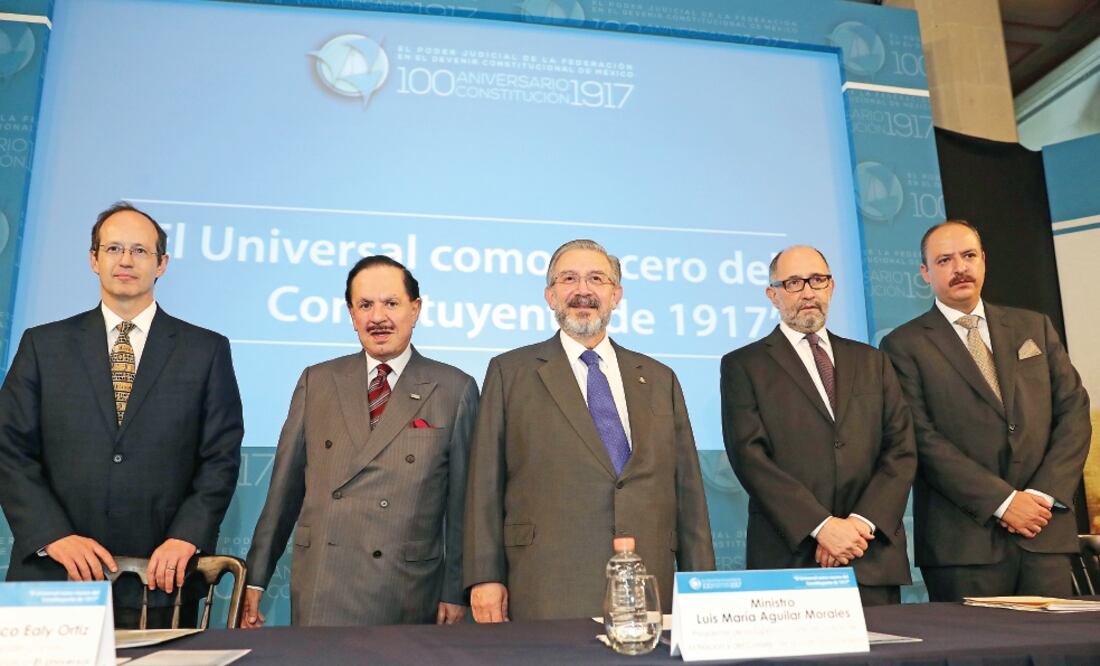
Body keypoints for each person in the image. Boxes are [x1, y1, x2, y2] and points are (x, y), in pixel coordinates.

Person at [0, 202, 244, 629]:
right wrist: (52, 535)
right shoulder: (43, 345)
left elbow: (219, 459)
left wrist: (186, 536)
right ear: (93, 259)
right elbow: (9, 450)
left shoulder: (205, 351)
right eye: (113, 248)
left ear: (162, 263)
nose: (126, 260)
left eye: (139, 250)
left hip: (159, 584)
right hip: (55, 580)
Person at [464, 239, 715, 623]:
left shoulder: (660, 378)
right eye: (569, 279)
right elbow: (484, 483)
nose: (583, 290)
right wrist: (484, 577)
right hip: (547, 585)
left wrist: (703, 588)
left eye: (596, 279)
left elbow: (689, 494)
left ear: (616, 295)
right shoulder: (509, 372)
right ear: (550, 296)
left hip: (649, 585)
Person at [242, 255, 478, 626]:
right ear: (351, 314)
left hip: (409, 590)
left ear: (415, 310)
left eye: (391, 303)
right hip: (325, 585)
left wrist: (454, 590)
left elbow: (463, 504)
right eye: (365, 305)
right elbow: (282, 495)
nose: (377, 317)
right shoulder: (316, 382)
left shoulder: (454, 388)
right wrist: (254, 581)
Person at [881, 220, 1091, 601]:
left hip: (1044, 532)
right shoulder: (902, 345)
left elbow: (1074, 411)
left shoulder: (1034, 326)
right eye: (944, 260)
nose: (959, 267)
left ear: (984, 261)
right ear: (925, 273)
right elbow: (920, 437)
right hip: (964, 545)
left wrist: (1042, 495)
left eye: (968, 255)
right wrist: (1004, 502)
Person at [720, 246, 916, 606]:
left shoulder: (873, 361)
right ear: (773, 295)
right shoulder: (743, 366)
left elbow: (901, 450)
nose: (808, 292)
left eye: (817, 280)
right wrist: (823, 528)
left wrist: (857, 525)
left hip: (868, 554)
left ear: (831, 287)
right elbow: (750, 458)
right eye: (793, 282)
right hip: (789, 557)